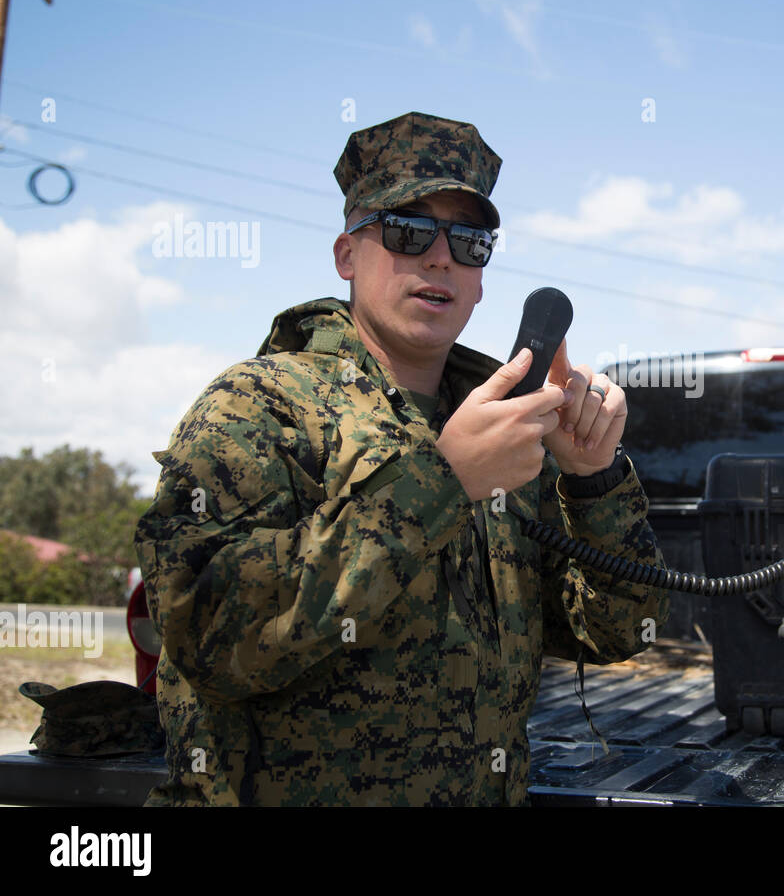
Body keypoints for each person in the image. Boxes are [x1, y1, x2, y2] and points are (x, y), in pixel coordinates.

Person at [135, 111, 670, 805]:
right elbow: (210, 635)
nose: (440, 257)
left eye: (470, 241)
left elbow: (618, 631)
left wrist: (593, 479)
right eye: (408, 230)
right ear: (347, 255)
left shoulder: (502, 430)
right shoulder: (258, 406)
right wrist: (442, 484)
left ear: (481, 279)